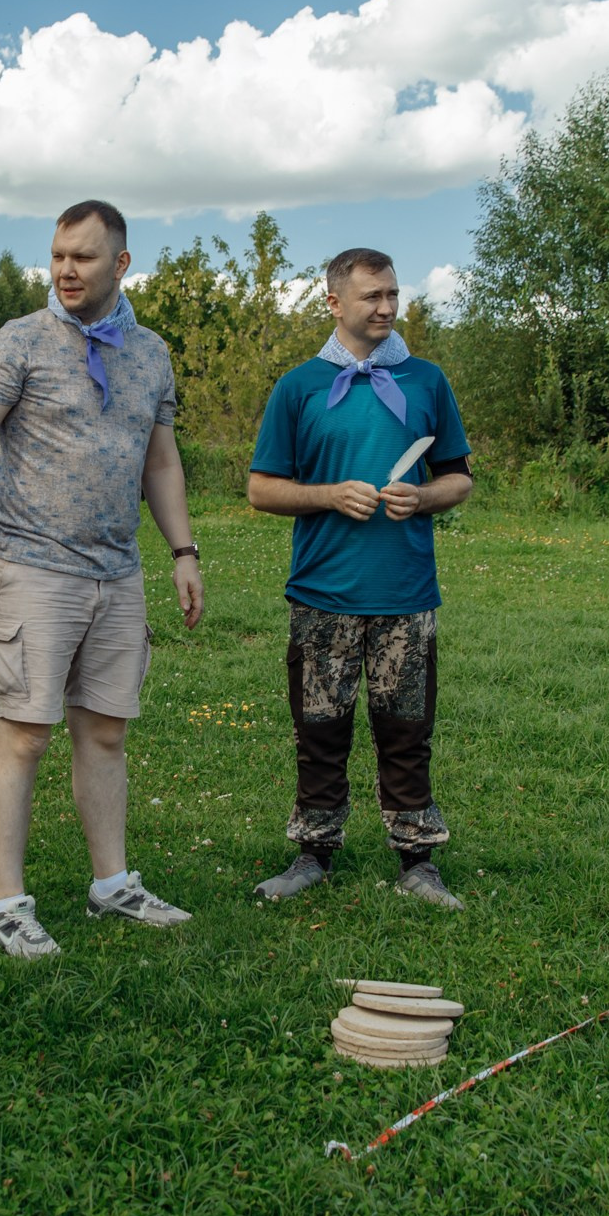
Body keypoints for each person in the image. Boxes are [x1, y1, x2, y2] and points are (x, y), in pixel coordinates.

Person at [0, 199, 204, 958]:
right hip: (34, 565)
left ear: (120, 264)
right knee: (24, 734)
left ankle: (112, 884)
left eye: (83, 257)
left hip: (118, 570)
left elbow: (160, 460)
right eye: (58, 256)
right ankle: (7, 904)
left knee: (106, 732)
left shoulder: (150, 353)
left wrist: (182, 552)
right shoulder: (20, 340)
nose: (66, 269)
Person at [244, 248, 474, 907]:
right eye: (372, 295)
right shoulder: (300, 387)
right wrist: (329, 495)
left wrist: (424, 498)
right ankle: (313, 853)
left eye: (393, 294)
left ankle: (417, 862)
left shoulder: (427, 381)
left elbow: (459, 475)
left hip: (405, 593)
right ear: (334, 302)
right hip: (323, 592)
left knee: (407, 731)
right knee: (319, 730)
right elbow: (262, 490)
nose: (386, 307)